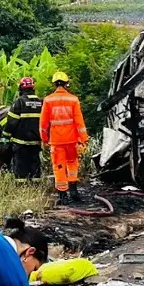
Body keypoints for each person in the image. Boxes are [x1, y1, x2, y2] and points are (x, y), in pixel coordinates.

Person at [40, 71, 88, 204]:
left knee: (59, 166)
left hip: (56, 141)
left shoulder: (48, 100)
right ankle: (74, 191)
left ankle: (63, 196)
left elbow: (43, 124)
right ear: (67, 83)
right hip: (72, 140)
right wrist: (83, 139)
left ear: (54, 84)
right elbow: (79, 122)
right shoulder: (73, 99)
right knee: (72, 164)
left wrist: (44, 139)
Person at [5, 77, 43, 182]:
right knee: (35, 163)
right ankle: (36, 184)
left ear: (21, 88)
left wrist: (6, 136)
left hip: (21, 141)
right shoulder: (41, 102)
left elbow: (11, 122)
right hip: (36, 141)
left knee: (21, 164)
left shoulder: (19, 102)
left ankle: (21, 186)